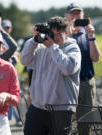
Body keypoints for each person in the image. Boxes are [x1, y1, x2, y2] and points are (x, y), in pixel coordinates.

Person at [20, 16, 81, 135]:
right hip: (37, 107)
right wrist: (34, 40)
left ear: (66, 32)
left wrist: (53, 47)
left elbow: (68, 68)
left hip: (61, 109)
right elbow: (25, 60)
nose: (56, 37)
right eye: (52, 34)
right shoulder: (42, 47)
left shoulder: (73, 48)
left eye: (59, 33)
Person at [65, 3, 101, 135]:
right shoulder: (63, 35)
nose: (75, 16)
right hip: (67, 84)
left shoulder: (87, 34)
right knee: (66, 122)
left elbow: (96, 58)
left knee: (85, 122)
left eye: (78, 13)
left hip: (86, 83)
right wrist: (68, 36)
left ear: (83, 15)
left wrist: (91, 36)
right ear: (67, 16)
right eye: (72, 14)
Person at [2, 19, 21, 126]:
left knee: (12, 98)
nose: (6, 29)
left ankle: (15, 119)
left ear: (10, 29)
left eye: (7, 28)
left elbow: (16, 55)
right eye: (4, 27)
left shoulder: (12, 40)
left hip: (10, 74)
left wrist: (15, 56)